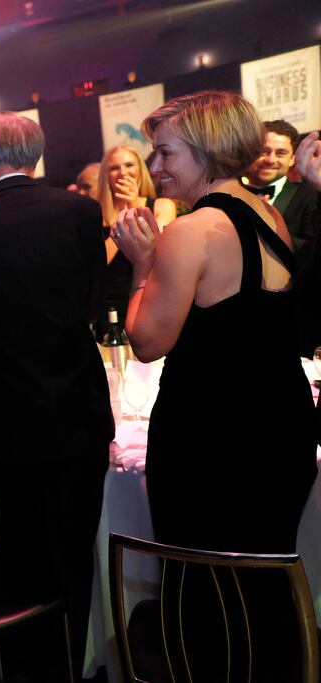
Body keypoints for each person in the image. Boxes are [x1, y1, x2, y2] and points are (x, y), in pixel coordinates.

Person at [112, 91, 317, 678]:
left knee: (207, 593)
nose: (155, 168)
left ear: (206, 150)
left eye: (165, 152)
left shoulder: (192, 230)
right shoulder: (269, 214)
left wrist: (141, 265)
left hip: (213, 442)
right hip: (282, 427)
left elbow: (147, 342)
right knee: (263, 585)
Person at [0, 112, 113, 678]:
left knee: (22, 552)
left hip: (4, 423)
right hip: (75, 414)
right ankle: (75, 663)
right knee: (73, 554)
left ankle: (29, 666)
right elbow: (91, 301)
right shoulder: (82, 212)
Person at [96, 144, 176, 336]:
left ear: (140, 169)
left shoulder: (161, 205)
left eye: (129, 165)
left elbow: (155, 249)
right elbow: (97, 263)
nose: (123, 172)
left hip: (149, 298)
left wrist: (132, 207)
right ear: (106, 175)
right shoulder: (96, 213)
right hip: (109, 304)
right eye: (114, 168)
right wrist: (120, 217)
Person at [244, 119, 318, 259]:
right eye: (264, 151)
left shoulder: (309, 195)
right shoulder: (227, 193)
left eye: (280, 153)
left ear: (292, 160)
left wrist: (265, 226)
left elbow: (312, 251)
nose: (270, 160)